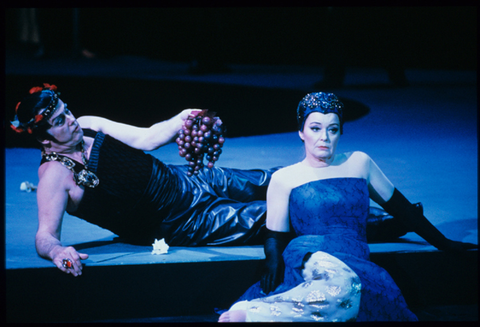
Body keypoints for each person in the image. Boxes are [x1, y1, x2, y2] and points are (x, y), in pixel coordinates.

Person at [218, 92, 477, 322]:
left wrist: (444, 243)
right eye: (316, 128)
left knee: (351, 294)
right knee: (342, 286)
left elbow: (404, 210)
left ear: (341, 131)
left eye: (333, 129)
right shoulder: (285, 177)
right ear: (301, 132)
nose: (324, 138)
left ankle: (263, 312)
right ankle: (253, 314)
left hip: (354, 255)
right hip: (312, 255)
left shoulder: (359, 163)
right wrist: (273, 261)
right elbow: (275, 235)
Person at [10, 83, 272, 277]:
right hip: (180, 223)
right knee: (269, 216)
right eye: (60, 121)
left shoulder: (88, 124)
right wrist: (57, 252)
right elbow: (44, 235)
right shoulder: (54, 176)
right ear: (44, 139)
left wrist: (182, 119)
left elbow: (147, 138)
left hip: (187, 179)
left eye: (67, 111)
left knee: (272, 180)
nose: (71, 121)